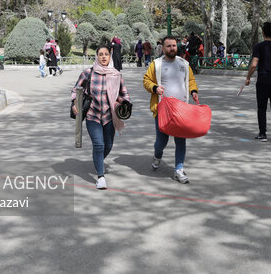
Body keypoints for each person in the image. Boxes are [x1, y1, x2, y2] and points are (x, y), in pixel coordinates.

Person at [71, 45, 130, 189]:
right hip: (93, 115)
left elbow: (123, 94)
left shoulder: (116, 75)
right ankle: (100, 177)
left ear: (110, 57)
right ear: (96, 56)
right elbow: (76, 90)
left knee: (108, 145)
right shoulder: (88, 73)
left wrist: (126, 103)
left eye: (106, 54)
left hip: (110, 116)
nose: (103, 57)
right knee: (99, 144)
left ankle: (97, 161)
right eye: (101, 54)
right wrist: (74, 103)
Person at [143, 36, 199, 184]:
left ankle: (178, 169)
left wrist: (193, 91)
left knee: (181, 140)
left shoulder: (184, 63)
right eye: (169, 46)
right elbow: (146, 80)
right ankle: (157, 155)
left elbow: (191, 80)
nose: (172, 48)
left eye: (174, 45)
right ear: (163, 48)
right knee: (162, 141)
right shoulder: (156, 64)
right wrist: (154, 88)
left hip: (181, 109)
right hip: (163, 109)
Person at [244, 22, 271, 142]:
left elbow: (253, 65)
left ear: (262, 33)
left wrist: (248, 78)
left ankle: (263, 133)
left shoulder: (258, 46)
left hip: (263, 80)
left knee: (262, 108)